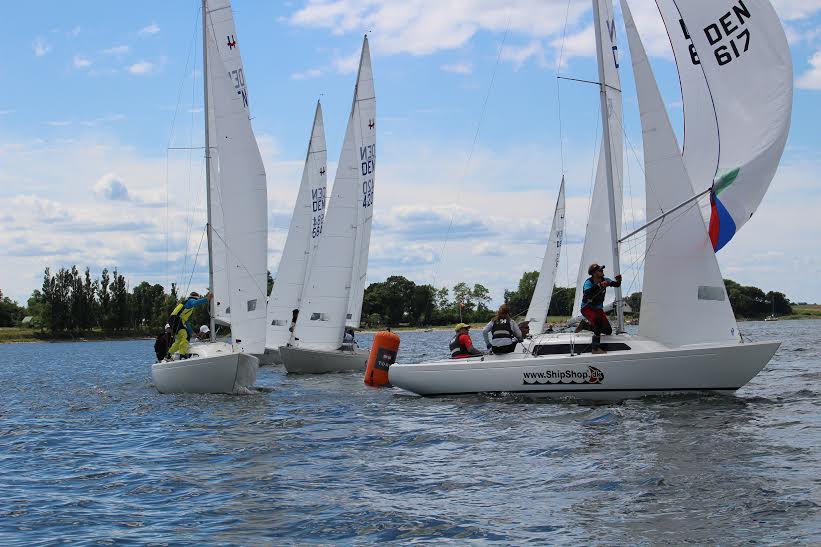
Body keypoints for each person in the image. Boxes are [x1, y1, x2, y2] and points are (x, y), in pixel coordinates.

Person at [581, 263, 622, 354]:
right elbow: (587, 292)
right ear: (594, 273)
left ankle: (584, 325)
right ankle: (595, 348)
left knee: (608, 331)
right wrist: (599, 285)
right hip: (587, 308)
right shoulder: (588, 282)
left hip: (598, 309)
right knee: (598, 322)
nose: (602, 271)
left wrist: (619, 280)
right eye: (600, 270)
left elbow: (616, 284)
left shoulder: (606, 280)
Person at [167, 291, 212, 358]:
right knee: (186, 336)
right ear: (196, 298)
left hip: (174, 320)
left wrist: (192, 332)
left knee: (179, 339)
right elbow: (195, 303)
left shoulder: (186, 306)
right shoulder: (190, 301)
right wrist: (207, 299)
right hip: (176, 319)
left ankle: (169, 354)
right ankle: (182, 354)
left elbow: (186, 322)